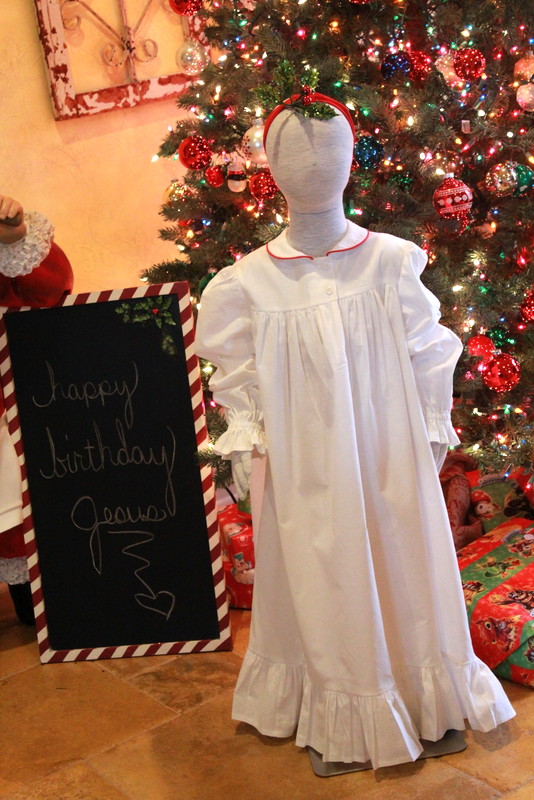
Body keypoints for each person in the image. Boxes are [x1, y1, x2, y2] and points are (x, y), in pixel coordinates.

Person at [195, 94, 514, 768]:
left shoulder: (390, 262)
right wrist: (249, 445)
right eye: (295, 154)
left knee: (404, 557)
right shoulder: (246, 285)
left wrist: (429, 430)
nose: (314, 165)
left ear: (348, 162)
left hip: (387, 449)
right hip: (305, 463)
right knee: (323, 570)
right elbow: (236, 379)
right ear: (271, 168)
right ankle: (343, 706)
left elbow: (428, 353)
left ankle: (425, 696)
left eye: (328, 150)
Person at [0, 194, 73, 624]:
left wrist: (15, 238)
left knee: (14, 485)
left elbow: (49, 293)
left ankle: (34, 598)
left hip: (13, 393)